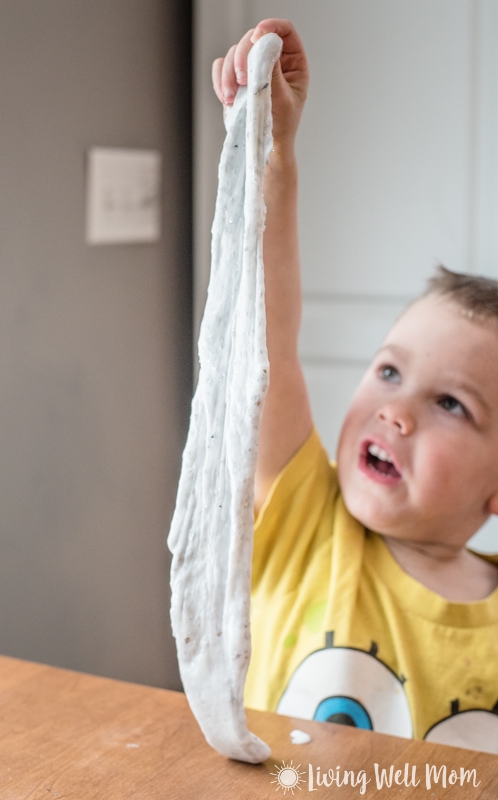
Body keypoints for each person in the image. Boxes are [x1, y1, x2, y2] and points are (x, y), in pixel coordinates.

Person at [212, 19, 498, 750]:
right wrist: (272, 150)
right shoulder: (306, 517)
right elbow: (266, 343)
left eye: (450, 404)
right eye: (390, 371)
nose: (396, 412)